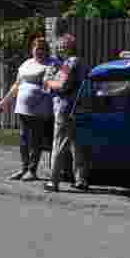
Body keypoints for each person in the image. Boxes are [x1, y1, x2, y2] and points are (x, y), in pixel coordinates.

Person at [0, 36, 57, 181]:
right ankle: (23, 168)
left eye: (42, 49)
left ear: (46, 50)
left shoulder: (51, 64)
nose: (39, 52)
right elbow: (17, 85)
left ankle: (32, 170)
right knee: (24, 139)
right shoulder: (27, 63)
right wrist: (4, 102)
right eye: (36, 49)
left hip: (40, 108)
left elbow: (52, 85)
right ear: (32, 50)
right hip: (23, 108)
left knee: (36, 139)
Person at [43, 33, 89, 192]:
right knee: (77, 144)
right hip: (79, 107)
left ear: (67, 47)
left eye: (61, 46)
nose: (58, 49)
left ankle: (53, 180)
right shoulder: (82, 62)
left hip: (65, 107)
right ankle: (81, 179)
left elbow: (61, 85)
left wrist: (48, 82)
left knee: (59, 143)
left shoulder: (69, 62)